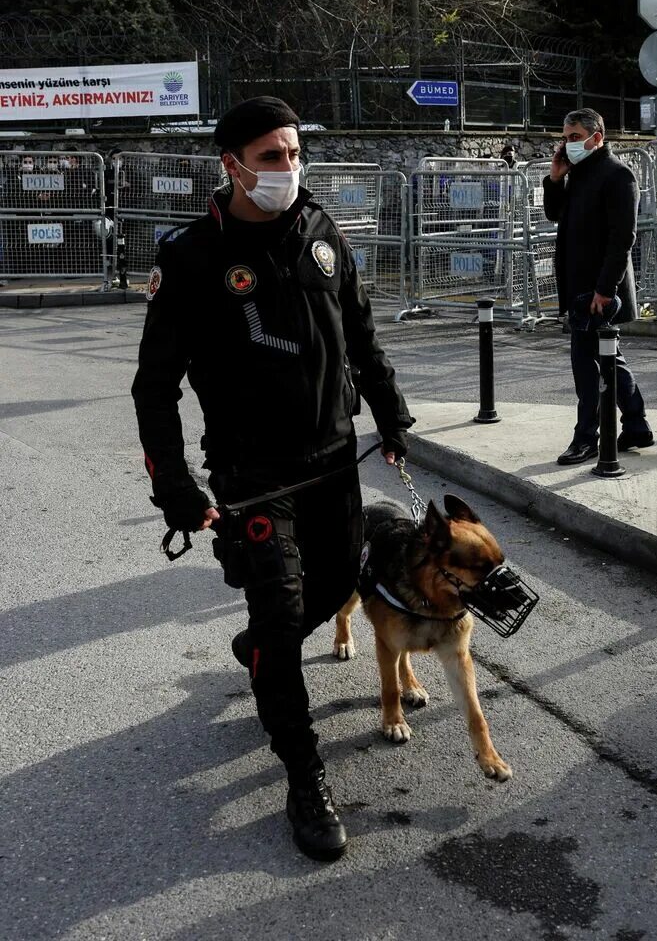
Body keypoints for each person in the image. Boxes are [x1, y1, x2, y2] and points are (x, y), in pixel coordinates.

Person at [132, 96, 413, 862]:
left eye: (292, 154)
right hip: (253, 472)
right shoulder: (191, 257)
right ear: (231, 166)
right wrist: (176, 489)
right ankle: (305, 775)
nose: (287, 170)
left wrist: (392, 415)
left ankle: (259, 644)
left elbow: (360, 332)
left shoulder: (323, 232)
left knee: (331, 592)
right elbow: (153, 387)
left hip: (334, 456)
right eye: (270, 159)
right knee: (286, 616)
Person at [543, 108, 653, 465]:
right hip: (579, 287)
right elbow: (554, 214)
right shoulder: (579, 174)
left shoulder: (618, 175)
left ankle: (586, 437)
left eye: (574, 137)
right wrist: (555, 179)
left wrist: (606, 289)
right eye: (565, 137)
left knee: (585, 363)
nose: (567, 144)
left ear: (597, 137)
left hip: (599, 289)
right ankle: (636, 425)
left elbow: (623, 238)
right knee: (608, 359)